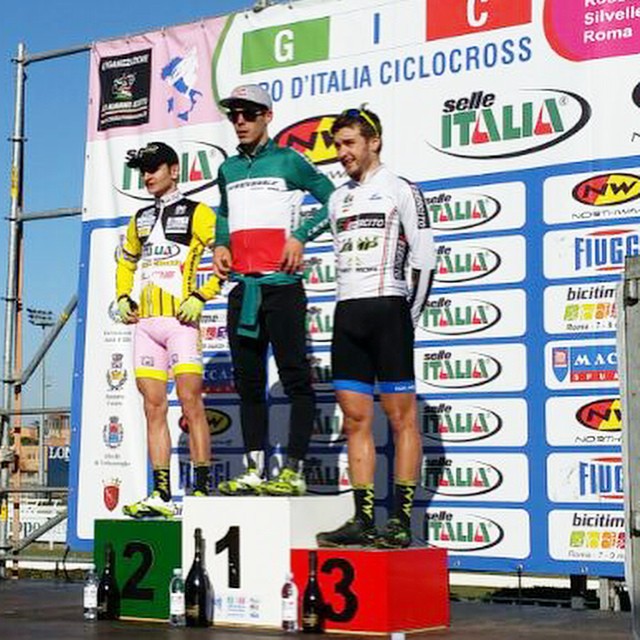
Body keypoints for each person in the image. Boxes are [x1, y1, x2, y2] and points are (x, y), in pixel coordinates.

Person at [316, 107, 435, 548]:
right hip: (348, 313)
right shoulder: (337, 199)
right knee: (354, 420)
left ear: (374, 142)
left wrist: (410, 315)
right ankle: (363, 517)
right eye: (337, 145)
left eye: (349, 143)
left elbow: (425, 258)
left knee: (402, 419)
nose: (342, 152)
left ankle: (400, 519)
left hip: (389, 309)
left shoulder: (401, 189)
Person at [213, 84, 334, 496]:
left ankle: (294, 471)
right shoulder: (228, 169)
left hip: (282, 288)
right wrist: (221, 244)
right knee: (247, 383)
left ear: (267, 116)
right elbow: (224, 214)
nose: (240, 121)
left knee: (295, 378)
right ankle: (253, 470)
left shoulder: (288, 160)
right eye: (234, 115)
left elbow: (333, 200)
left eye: (248, 114)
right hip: (243, 290)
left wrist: (301, 235)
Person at [115, 141, 220, 518]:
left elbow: (224, 255)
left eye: (154, 168)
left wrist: (202, 295)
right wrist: (122, 296)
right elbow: (126, 262)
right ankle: (161, 494)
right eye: (143, 170)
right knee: (153, 408)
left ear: (174, 170)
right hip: (146, 326)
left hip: (181, 323)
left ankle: (202, 490)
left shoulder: (197, 212)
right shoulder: (140, 218)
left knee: (192, 403)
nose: (147, 176)